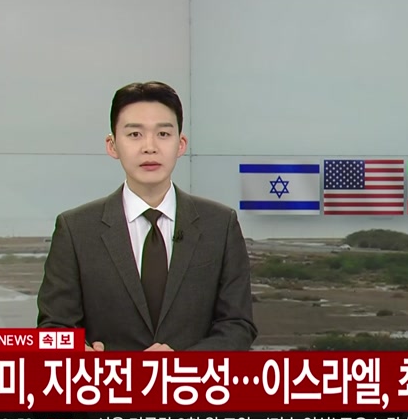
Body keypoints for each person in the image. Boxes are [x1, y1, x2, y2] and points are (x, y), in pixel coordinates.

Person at [37, 81, 257, 351]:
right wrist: (80, 354)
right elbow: (54, 327)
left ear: (180, 144)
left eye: (163, 134)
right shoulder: (76, 229)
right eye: (135, 134)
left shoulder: (219, 225)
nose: (150, 147)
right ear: (112, 145)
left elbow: (237, 325)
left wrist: (180, 365)